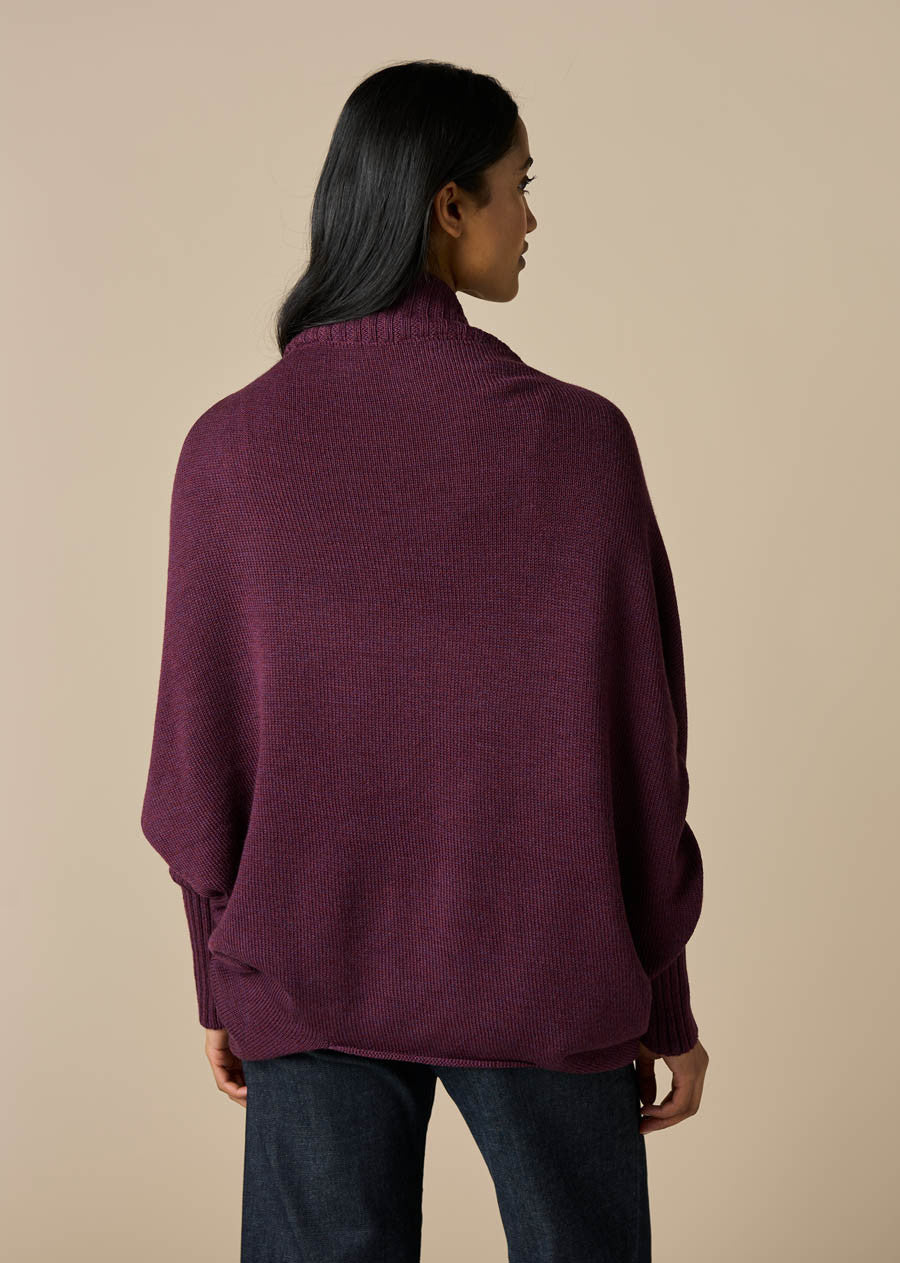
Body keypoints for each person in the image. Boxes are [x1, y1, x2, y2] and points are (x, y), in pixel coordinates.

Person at [140, 58, 708, 1263]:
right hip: (548, 972)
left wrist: (219, 981)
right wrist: (664, 997)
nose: (532, 218)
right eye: (520, 185)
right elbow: (645, 760)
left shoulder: (228, 450)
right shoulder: (581, 443)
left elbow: (201, 766)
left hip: (306, 976)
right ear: (450, 205)